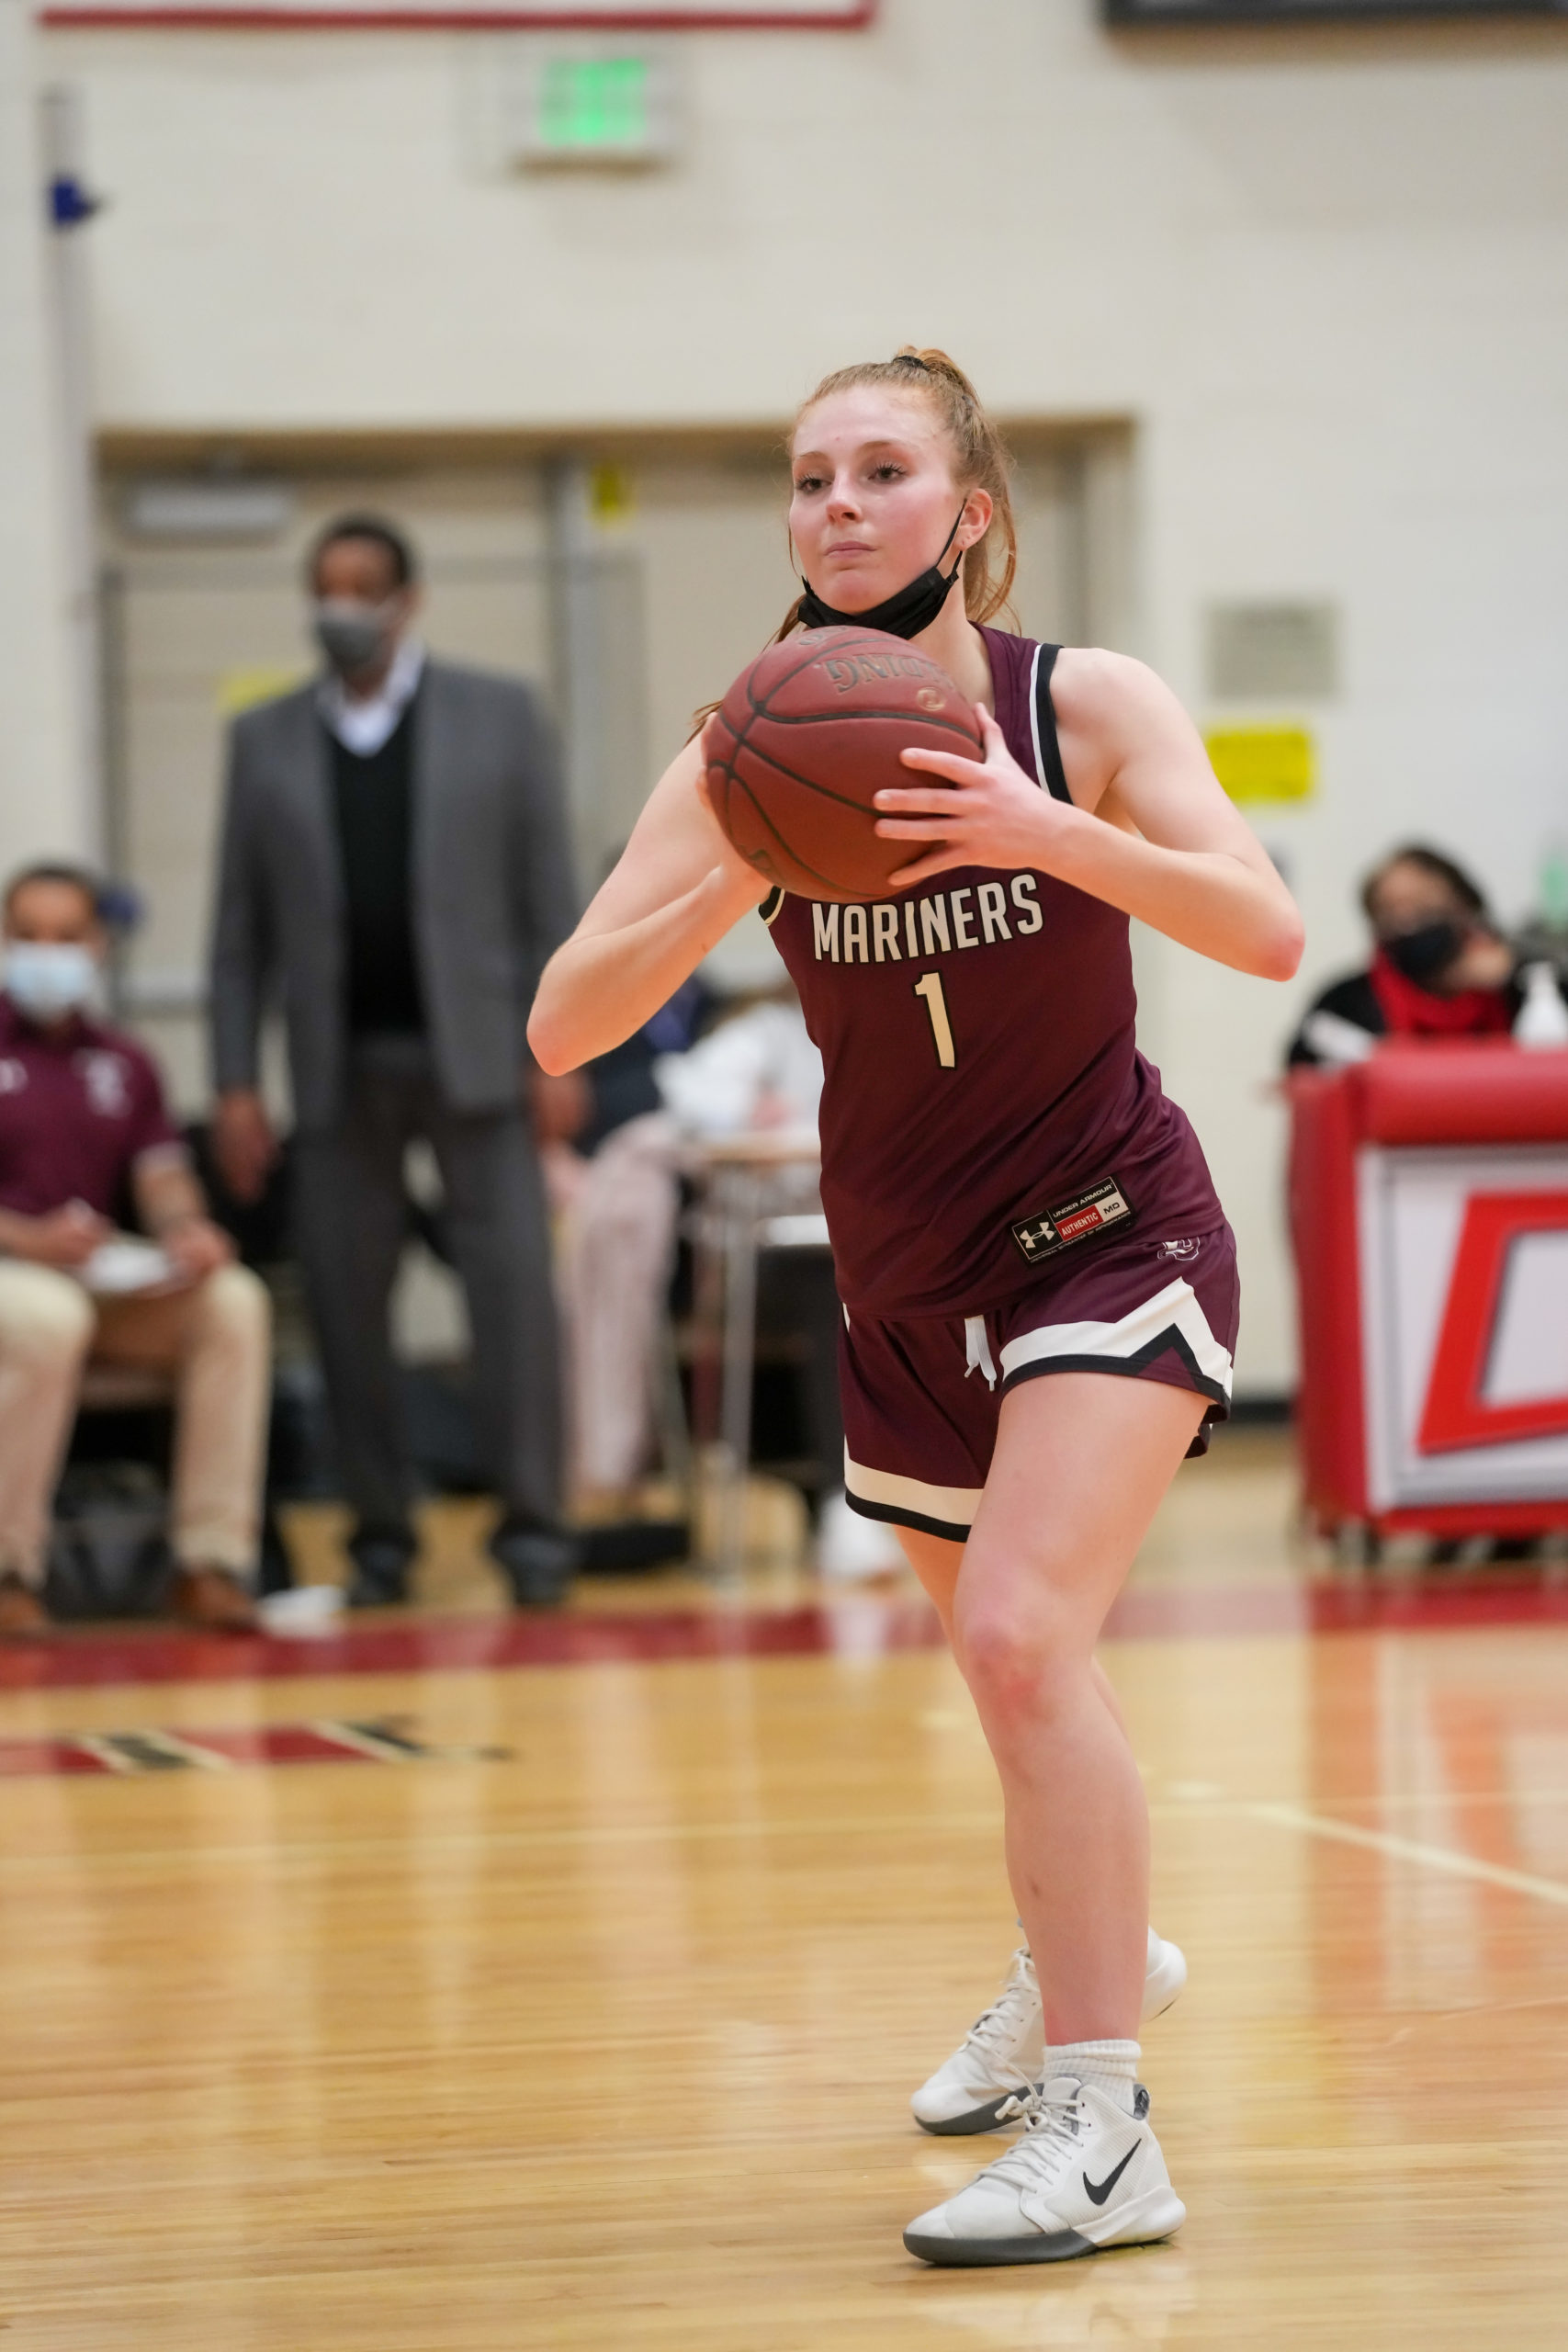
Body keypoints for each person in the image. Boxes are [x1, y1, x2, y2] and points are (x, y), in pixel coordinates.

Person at [527, 348, 1302, 2267]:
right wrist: (727, 868)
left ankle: (1103, 2121)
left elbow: (1265, 926)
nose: (839, 506)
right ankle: (1085, 1952)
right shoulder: (746, 743)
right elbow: (558, 1022)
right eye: (808, 479)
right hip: (904, 1275)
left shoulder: (1080, 701)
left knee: (1030, 1637)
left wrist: (1055, 834)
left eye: (882, 471)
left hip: (1108, 1228)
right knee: (1011, 1669)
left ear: (965, 512)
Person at [209, 514, 584, 1610]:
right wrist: (237, 1078)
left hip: (481, 1056)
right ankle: (380, 1540)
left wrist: (564, 1047)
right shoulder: (265, 737)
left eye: (362, 587)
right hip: (337, 1067)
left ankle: (536, 1539)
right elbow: (240, 933)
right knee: (345, 1301)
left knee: (513, 1295)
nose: (343, 609)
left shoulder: (499, 715)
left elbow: (551, 901)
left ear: (407, 599)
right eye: (325, 589)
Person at [0, 864, 270, 1637]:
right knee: (48, 1316)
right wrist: (29, 1239)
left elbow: (161, 1179)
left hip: (99, 1274)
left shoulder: (126, 1062)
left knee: (233, 1302)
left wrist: (185, 1230)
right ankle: (10, 1570)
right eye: (28, 936)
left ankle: (210, 1562)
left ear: (97, 948)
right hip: (16, 1273)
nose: (46, 952)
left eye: (65, 936)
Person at [1288, 843, 1521, 1066]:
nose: (1407, 921)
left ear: (1463, 906)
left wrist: (1513, 969)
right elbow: (1304, 1072)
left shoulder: (1518, 986)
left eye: (1422, 905)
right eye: (1390, 910)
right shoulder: (1345, 1003)